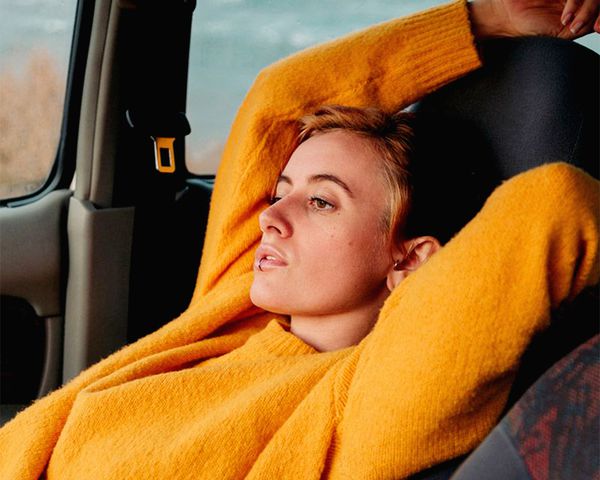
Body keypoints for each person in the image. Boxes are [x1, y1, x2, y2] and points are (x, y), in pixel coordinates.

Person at [1, 0, 598, 479]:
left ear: (410, 258)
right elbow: (280, 100)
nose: (270, 217)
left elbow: (552, 203)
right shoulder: (232, 306)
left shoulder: (368, 401)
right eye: (280, 188)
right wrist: (486, 18)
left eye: (320, 200)